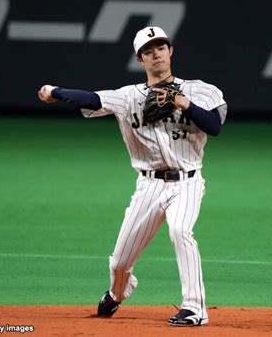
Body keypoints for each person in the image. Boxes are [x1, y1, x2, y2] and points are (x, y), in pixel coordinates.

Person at [38, 26, 227, 325]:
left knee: (181, 231)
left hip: (188, 181)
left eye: (161, 48)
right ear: (141, 60)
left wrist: (183, 103)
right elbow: (91, 99)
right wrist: (55, 92)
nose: (156, 55)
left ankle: (195, 308)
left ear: (171, 51)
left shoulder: (199, 90)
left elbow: (214, 126)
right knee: (121, 261)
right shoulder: (129, 97)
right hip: (149, 185)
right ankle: (119, 291)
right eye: (149, 52)